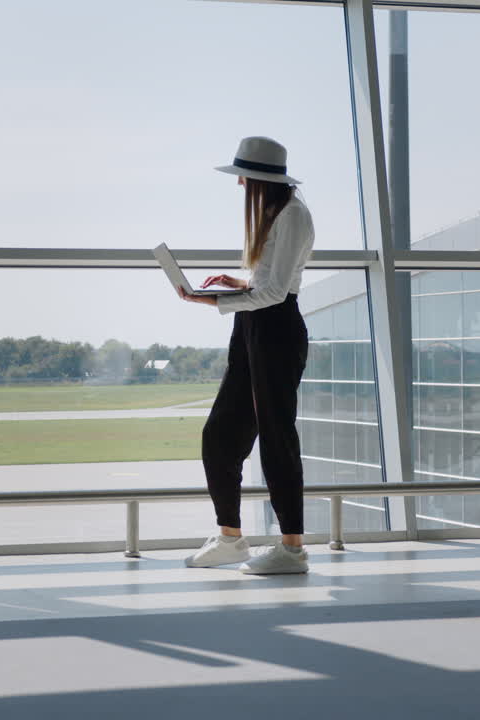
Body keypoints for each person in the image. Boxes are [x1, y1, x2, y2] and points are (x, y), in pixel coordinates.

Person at [177, 136, 314, 575]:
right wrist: (237, 284)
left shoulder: (293, 215)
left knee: (277, 439)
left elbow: (277, 292)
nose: (239, 185)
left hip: (275, 331)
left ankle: (293, 550)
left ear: (260, 179)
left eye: (243, 177)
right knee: (220, 434)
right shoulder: (273, 214)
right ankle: (230, 537)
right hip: (252, 328)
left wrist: (213, 303)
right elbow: (268, 280)